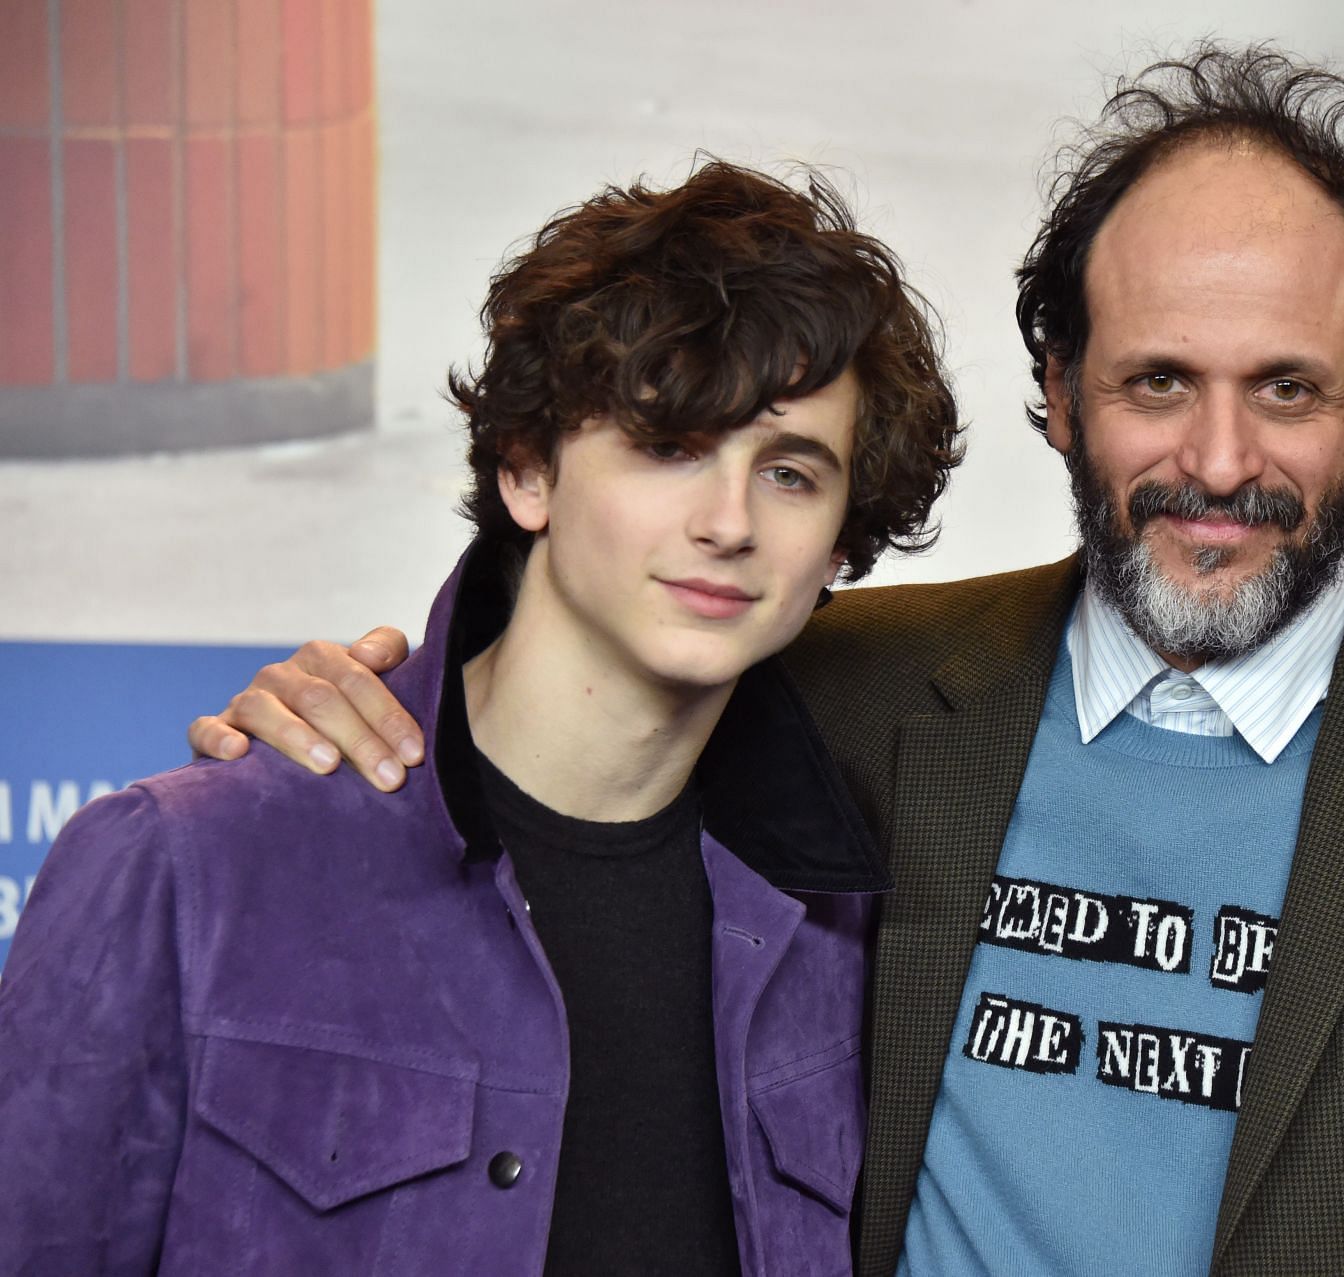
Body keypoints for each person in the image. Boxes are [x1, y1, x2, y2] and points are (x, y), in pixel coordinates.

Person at [186, 45, 1344, 1275]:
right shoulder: (832, 680)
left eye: (1288, 388)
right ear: (1060, 392)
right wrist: (357, 716)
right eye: (1158, 380)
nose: (1218, 459)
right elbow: (562, 691)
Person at [0, 161, 961, 1276]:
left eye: (791, 473)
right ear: (528, 471)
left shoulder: (846, 933)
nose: (728, 521)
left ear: (841, 543)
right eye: (670, 444)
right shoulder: (190, 865)